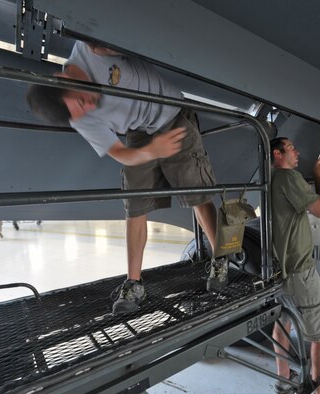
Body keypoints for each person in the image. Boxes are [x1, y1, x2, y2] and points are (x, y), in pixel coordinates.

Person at [26, 41, 227, 314]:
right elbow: (121, 152)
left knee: (196, 193)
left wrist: (110, 43)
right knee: (134, 205)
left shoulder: (88, 48)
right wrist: (152, 150)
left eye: (82, 101)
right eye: (80, 112)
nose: (89, 108)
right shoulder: (80, 118)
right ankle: (134, 283)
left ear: (63, 78)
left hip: (172, 113)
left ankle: (220, 258)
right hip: (140, 130)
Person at [270, 137, 320, 394]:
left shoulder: (270, 181)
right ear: (278, 154)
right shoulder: (289, 178)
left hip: (277, 271)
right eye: (291, 148)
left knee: (283, 324)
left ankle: (283, 379)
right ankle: (318, 389)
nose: (297, 152)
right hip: (299, 271)